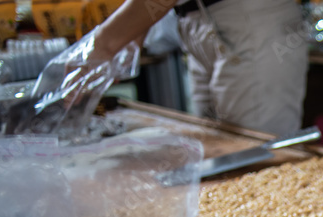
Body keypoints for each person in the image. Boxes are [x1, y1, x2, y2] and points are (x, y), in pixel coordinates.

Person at [90, 0, 308, 135]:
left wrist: (100, 45)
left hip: (247, 18)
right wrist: (129, 38)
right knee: (213, 143)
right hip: (196, 18)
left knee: (256, 150)